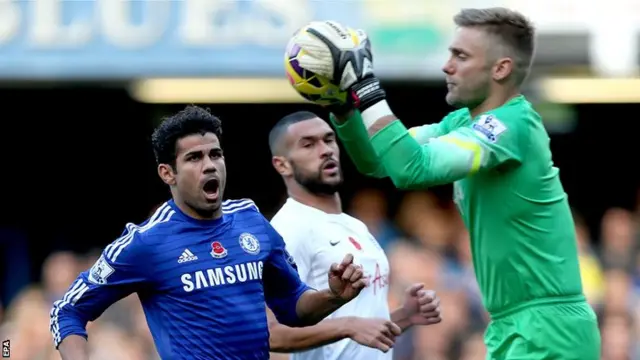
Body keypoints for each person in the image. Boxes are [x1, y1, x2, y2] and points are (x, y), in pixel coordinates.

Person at [293, 8, 601, 360]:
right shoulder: (462, 122)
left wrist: (367, 87)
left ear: (500, 69)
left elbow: (413, 170)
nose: (447, 65)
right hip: (511, 324)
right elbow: (381, 162)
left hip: (549, 327)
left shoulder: (510, 126)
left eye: (461, 56)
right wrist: (345, 107)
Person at [49, 105, 368, 360]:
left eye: (215, 154)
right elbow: (67, 310)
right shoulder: (145, 243)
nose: (210, 165)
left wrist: (332, 297)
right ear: (167, 173)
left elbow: (293, 307)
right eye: (194, 158)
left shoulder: (251, 221)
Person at [265, 111, 442, 359]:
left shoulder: (354, 225)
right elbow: (271, 333)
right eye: (308, 144)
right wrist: (347, 326)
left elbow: (357, 334)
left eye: (328, 139)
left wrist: (405, 316)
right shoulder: (288, 228)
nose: (325, 149)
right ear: (282, 164)